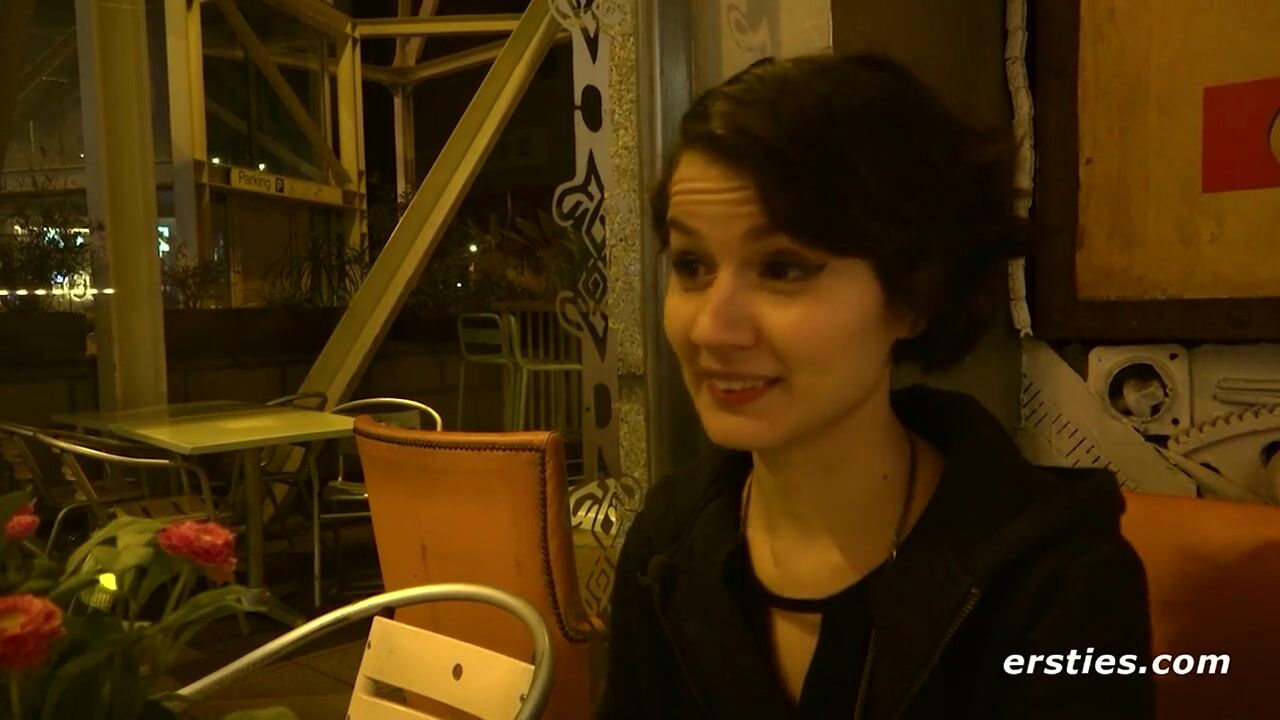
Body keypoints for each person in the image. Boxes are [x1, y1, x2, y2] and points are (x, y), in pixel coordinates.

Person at [596, 54, 1153, 718]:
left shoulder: (1053, 578)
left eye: (782, 269)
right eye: (691, 265)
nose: (712, 327)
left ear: (914, 295)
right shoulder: (670, 541)